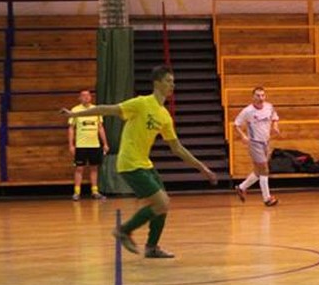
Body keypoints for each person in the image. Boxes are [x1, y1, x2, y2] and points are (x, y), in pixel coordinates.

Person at [60, 66, 217, 258]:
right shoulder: (141, 103)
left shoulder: (164, 116)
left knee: (163, 204)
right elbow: (108, 109)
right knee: (162, 202)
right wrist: (74, 115)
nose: (172, 85)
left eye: (173, 82)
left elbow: (177, 148)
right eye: (168, 81)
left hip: (145, 164)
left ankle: (152, 247)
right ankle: (123, 230)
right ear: (157, 83)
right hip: (129, 163)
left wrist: (203, 168)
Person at [233, 85, 281, 206]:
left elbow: (275, 117)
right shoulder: (247, 111)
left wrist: (275, 126)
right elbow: (236, 125)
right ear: (253, 97)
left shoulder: (269, 107)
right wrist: (243, 136)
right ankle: (267, 198)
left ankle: (241, 187)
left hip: (266, 142)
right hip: (255, 143)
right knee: (264, 169)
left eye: (262, 95)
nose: (260, 98)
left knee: (258, 171)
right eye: (258, 95)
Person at [67, 89, 109, 201]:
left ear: (91, 97)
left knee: (94, 168)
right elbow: (71, 128)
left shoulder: (96, 110)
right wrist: (71, 145)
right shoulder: (75, 110)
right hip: (81, 145)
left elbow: (100, 128)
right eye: (83, 95)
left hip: (94, 145)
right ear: (79, 98)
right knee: (79, 169)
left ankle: (95, 191)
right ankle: (77, 192)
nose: (86, 97)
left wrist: (105, 143)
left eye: (88, 95)